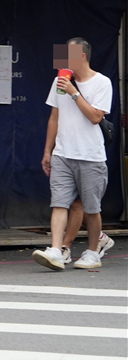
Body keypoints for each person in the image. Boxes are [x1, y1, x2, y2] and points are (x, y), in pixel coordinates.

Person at [33, 38, 113, 271]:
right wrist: (48, 151)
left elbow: (96, 117)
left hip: (90, 155)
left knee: (91, 208)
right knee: (59, 203)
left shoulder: (102, 82)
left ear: (82, 57)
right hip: (62, 153)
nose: (63, 62)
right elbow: (54, 118)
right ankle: (57, 250)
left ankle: (92, 252)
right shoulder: (60, 81)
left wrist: (74, 93)